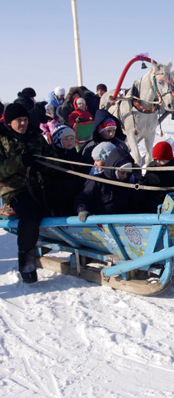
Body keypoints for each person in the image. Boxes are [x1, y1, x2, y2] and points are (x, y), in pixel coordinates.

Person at [0, 103, 63, 283]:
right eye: (19, 121)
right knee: (30, 216)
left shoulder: (35, 136)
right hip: (13, 189)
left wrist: (46, 165)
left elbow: (52, 158)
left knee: (70, 193)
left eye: (25, 120)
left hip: (39, 183)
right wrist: (21, 161)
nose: (23, 124)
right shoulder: (2, 138)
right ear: (10, 121)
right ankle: (26, 261)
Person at [75, 147, 143, 220]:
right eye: (122, 172)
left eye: (127, 173)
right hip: (99, 224)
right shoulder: (97, 181)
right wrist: (82, 210)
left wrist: (140, 180)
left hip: (123, 224)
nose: (125, 176)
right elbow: (83, 198)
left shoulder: (128, 184)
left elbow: (138, 201)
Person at [50, 125, 91, 214]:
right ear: (58, 140)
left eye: (72, 139)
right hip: (63, 197)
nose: (70, 142)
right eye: (66, 139)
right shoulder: (55, 158)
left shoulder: (76, 156)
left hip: (78, 193)